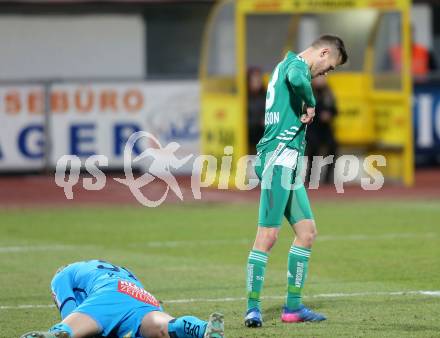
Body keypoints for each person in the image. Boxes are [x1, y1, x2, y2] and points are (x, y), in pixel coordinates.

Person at [245, 35, 347, 327]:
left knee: (307, 232)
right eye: (329, 67)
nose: (326, 73)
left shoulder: (288, 64)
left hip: (286, 162)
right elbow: (296, 77)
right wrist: (312, 102)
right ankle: (252, 308)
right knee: (267, 237)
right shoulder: (296, 65)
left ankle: (293, 308)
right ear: (324, 52)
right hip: (277, 159)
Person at [21, 260, 224, 338]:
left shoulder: (61, 277)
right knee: (165, 326)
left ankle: (52, 336)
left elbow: (69, 311)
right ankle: (203, 328)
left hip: (108, 294)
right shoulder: (119, 269)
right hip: (142, 297)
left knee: (67, 330)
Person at [305, 76, 338, 185]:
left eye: (322, 78)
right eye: (318, 78)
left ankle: (328, 178)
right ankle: (310, 177)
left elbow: (335, 110)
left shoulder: (328, 93)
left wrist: (329, 115)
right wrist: (319, 115)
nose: (320, 80)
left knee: (333, 145)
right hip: (311, 128)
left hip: (325, 128)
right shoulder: (308, 92)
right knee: (313, 145)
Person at [247, 67, 267, 155]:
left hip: (263, 138)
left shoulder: (266, 95)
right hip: (248, 139)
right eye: (254, 80)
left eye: (259, 79)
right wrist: (258, 121)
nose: (257, 82)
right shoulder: (243, 98)